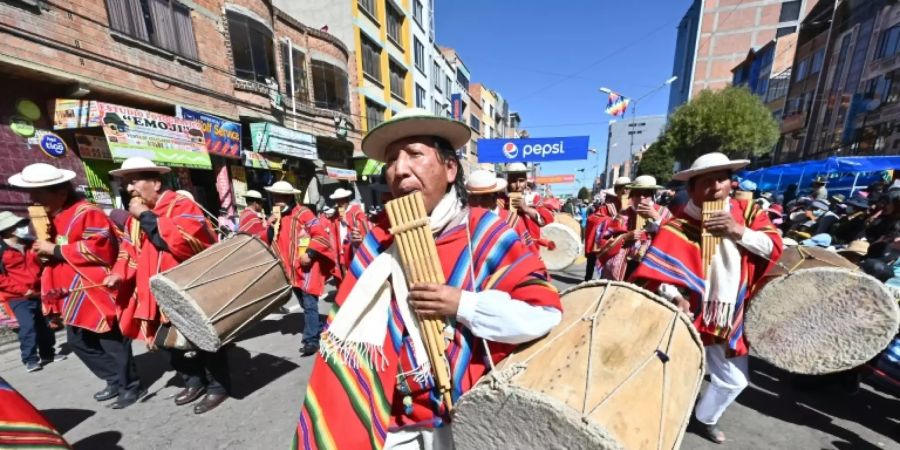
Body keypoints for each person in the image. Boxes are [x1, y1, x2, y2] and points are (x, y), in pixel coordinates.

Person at [293, 108, 562, 449]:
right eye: (391, 160)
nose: (399, 169)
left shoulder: (484, 232)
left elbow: (544, 313)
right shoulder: (377, 240)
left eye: (415, 154)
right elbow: (344, 335)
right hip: (387, 421)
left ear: (450, 169)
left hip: (462, 422)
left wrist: (463, 303)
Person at [630, 152, 783, 444]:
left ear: (731, 182)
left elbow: (773, 248)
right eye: (706, 181)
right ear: (692, 189)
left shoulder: (748, 214)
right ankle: (666, 415)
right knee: (672, 370)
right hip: (690, 314)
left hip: (733, 312)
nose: (715, 187)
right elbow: (656, 273)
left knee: (735, 381)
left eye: (721, 179)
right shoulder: (677, 225)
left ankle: (704, 417)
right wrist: (674, 295)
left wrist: (737, 231)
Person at [8, 163, 141, 408]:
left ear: (60, 192)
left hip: (94, 289)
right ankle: (113, 379)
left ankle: (129, 385)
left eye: (39, 194)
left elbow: (102, 247)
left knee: (111, 343)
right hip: (68, 292)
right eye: (31, 195)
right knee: (80, 343)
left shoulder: (86, 212)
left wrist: (56, 249)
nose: (33, 200)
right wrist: (41, 252)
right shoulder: (48, 217)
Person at [105, 157, 227, 414]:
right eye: (126, 183)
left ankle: (217, 386)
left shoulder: (182, 205)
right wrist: (118, 273)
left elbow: (184, 242)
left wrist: (145, 215)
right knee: (168, 343)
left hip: (187, 289)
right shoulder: (136, 218)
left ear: (156, 183)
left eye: (134, 181)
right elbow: (128, 250)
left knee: (203, 340)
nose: (129, 189)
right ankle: (193, 381)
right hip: (154, 293)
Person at [265, 180, 336, 356]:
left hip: (307, 268)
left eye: (280, 197)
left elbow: (320, 235)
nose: (277, 200)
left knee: (310, 304)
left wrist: (310, 254)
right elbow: (271, 241)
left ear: (289, 197)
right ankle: (320, 327)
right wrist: (270, 226)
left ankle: (311, 340)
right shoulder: (277, 217)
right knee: (306, 304)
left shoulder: (304, 213)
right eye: (275, 196)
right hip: (291, 269)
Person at [0, 212, 59, 372]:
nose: (21, 228)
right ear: (7, 229)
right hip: (18, 297)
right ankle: (30, 359)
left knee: (45, 325)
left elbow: (43, 265)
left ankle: (48, 354)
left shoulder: (31, 244)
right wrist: (22, 290)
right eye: (17, 225)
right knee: (28, 327)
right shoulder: (2, 251)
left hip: (39, 292)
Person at [594, 175, 672, 281]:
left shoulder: (663, 212)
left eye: (646, 194)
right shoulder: (624, 214)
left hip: (653, 265)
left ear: (652, 195)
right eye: (637, 194)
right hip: (627, 265)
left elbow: (673, 237)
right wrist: (625, 237)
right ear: (632, 196)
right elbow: (605, 239)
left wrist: (657, 218)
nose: (641, 198)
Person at [465, 169, 533, 248]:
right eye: (471, 197)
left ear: (494, 196)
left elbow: (529, 252)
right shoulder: (463, 221)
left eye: (482, 197)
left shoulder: (512, 221)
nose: (472, 202)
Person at [583, 177, 631, 281]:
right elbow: (593, 220)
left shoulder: (634, 204)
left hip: (628, 245)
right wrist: (613, 220)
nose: (626, 191)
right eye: (623, 188)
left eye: (629, 188)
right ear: (617, 191)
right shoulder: (608, 207)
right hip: (610, 243)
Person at [504, 162, 554, 254]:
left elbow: (546, 220)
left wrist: (526, 208)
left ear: (526, 182)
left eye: (521, 181)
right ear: (508, 182)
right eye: (513, 181)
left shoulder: (534, 199)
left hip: (530, 250)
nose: (518, 185)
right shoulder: (500, 201)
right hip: (507, 251)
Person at [330, 188, 369, 281]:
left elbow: (363, 230)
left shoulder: (357, 211)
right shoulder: (336, 213)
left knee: (358, 273)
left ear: (347, 199)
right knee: (345, 275)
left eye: (342, 200)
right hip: (341, 249)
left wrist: (347, 222)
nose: (340, 203)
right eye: (337, 200)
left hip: (354, 249)